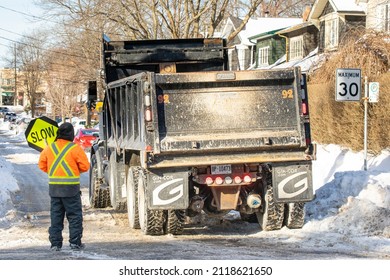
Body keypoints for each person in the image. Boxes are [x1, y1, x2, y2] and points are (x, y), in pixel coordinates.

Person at [38, 122, 90, 251]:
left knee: (56, 217)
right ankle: (75, 242)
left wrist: (55, 171)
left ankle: (55, 244)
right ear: (71, 135)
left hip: (55, 190)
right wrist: (73, 169)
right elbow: (85, 166)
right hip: (71, 190)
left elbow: (42, 165)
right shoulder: (75, 149)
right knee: (74, 217)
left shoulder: (49, 148)